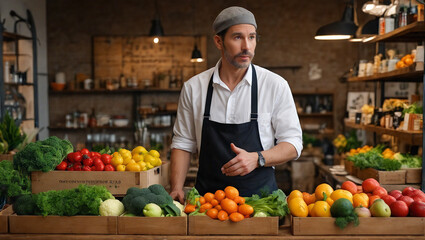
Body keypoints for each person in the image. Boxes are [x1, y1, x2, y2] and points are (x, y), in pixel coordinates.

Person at [170, 6, 302, 202]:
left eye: (252, 37)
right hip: (207, 203)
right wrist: (176, 187)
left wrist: (258, 158)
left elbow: (293, 143)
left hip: (261, 203)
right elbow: (183, 143)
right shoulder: (194, 87)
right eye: (237, 37)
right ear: (218, 41)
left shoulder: (275, 85)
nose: (247, 47)